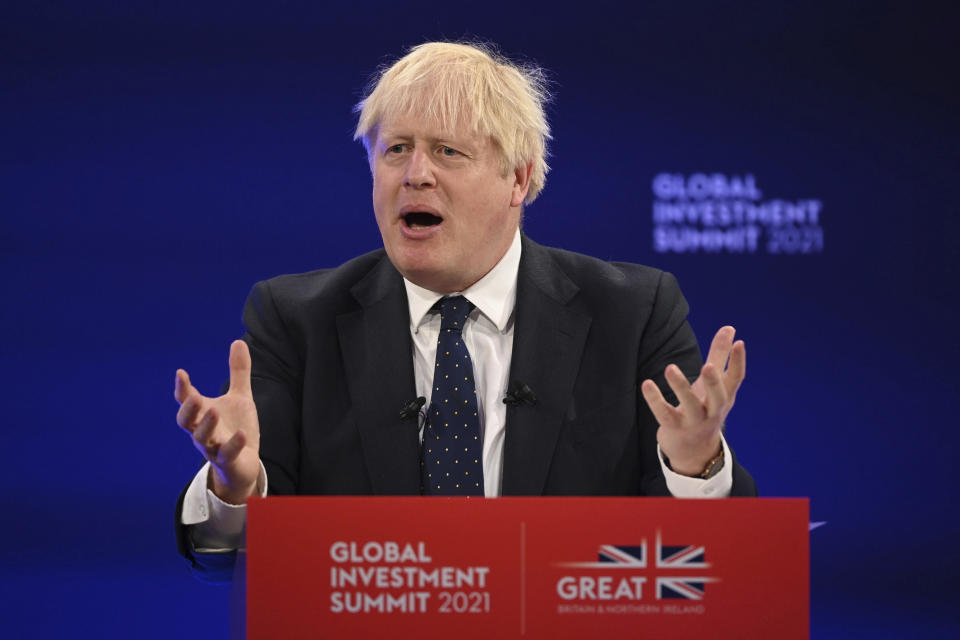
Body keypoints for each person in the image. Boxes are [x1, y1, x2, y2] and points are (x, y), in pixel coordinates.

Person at [174, 41, 756, 581]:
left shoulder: (631, 314)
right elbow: (236, 568)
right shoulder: (296, 320)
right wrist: (237, 489)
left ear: (519, 179)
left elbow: (703, 571)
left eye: (448, 151)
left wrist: (695, 466)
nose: (415, 174)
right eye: (395, 149)